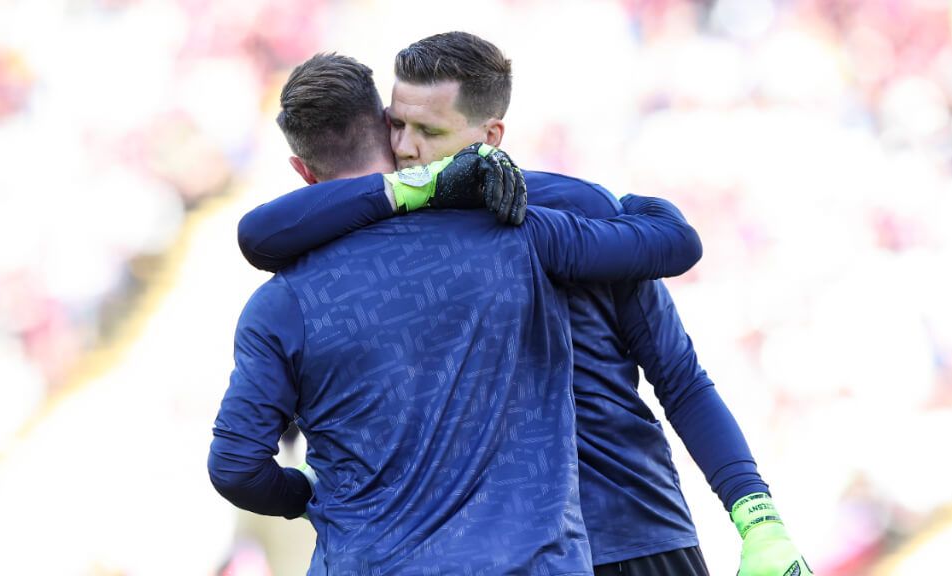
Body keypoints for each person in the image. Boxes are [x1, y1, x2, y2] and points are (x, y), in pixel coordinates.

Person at [237, 33, 812, 576]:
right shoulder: (384, 232)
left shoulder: (565, 213)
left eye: (429, 132)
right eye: (396, 125)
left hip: (629, 531)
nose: (407, 149)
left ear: (489, 139)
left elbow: (681, 376)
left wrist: (758, 518)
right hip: (520, 551)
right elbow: (261, 233)